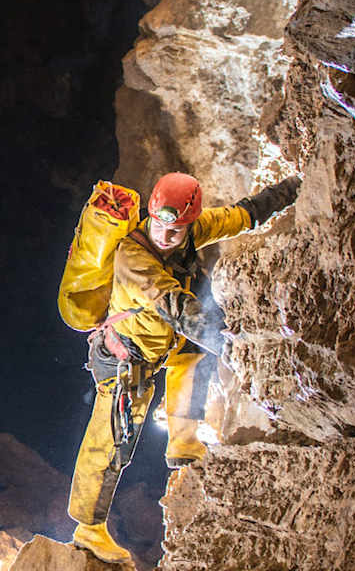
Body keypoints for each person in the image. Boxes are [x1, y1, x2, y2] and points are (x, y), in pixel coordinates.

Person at [67, 172, 301, 563]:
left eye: (176, 230)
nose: (165, 235)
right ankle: (88, 528)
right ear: (150, 215)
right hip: (124, 356)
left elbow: (245, 215)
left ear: (190, 223)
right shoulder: (133, 256)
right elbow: (177, 308)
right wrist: (237, 348)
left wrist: (292, 189)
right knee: (111, 439)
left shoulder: (193, 230)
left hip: (161, 344)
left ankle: (185, 447)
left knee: (192, 354)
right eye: (159, 224)